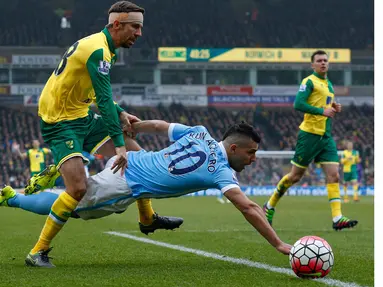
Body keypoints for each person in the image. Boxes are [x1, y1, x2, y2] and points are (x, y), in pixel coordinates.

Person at [0, 120, 292, 267]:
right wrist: (279, 244)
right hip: (124, 182)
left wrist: (131, 128)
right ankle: (13, 198)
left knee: (150, 167)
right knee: (75, 204)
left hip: (134, 161)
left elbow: (160, 126)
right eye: (251, 153)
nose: (253, 159)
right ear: (233, 148)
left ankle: (147, 218)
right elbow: (250, 208)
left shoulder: (200, 131)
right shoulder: (221, 173)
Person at [25, 1, 181, 267]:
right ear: (116, 24)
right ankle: (37, 251)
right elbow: (105, 101)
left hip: (81, 114)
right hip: (60, 122)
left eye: (140, 27)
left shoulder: (105, 48)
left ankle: (147, 217)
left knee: (137, 157)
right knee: (77, 189)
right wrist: (118, 142)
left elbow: (100, 95)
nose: (139, 33)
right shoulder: (98, 50)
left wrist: (120, 113)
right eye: (135, 27)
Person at [263, 50, 358, 231]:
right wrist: (323, 111)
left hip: (326, 137)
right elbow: (298, 104)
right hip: (309, 135)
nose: (323, 63)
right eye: (319, 60)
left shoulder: (328, 84)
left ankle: (337, 217)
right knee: (295, 176)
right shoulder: (308, 81)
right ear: (312, 65)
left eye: (325, 60)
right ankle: (269, 205)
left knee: (334, 175)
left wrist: (333, 107)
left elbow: (324, 104)